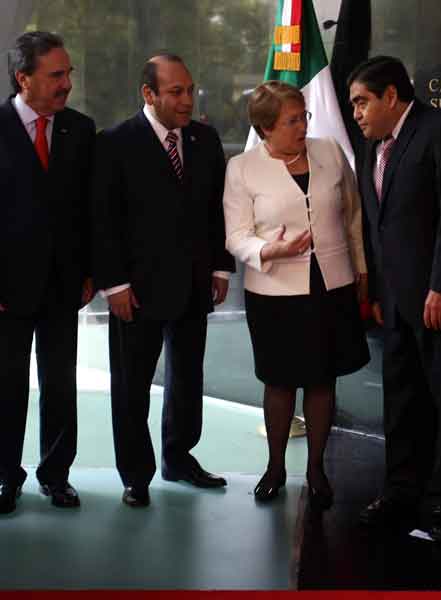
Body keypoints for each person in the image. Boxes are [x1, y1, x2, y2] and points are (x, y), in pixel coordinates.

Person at [348, 56, 441, 541]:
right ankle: (399, 492)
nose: (356, 114)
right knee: (401, 403)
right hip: (395, 302)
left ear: (391, 96)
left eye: (362, 102)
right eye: (353, 105)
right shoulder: (372, 146)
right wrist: (376, 290)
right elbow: (378, 225)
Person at [92, 54, 235, 508]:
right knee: (131, 385)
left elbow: (217, 208)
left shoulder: (205, 139)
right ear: (148, 94)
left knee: (187, 378)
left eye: (190, 90)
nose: (187, 100)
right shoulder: (114, 143)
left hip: (194, 284)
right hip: (136, 290)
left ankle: (179, 458)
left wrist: (220, 267)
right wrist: (114, 285)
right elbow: (102, 221)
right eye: (176, 92)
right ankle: (136, 474)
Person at [223, 81, 369, 508]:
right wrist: (269, 250)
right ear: (265, 128)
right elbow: (235, 236)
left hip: (332, 285)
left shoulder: (330, 152)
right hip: (274, 291)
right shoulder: (241, 168)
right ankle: (275, 467)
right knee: (280, 381)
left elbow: (353, 215)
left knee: (323, 379)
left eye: (303, 116)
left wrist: (361, 268)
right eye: (291, 121)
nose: (303, 126)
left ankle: (317, 469)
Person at [0, 31, 95, 514]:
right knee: (6, 386)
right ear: (24, 79)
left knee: (60, 383)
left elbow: (90, 210)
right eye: (56, 75)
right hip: (6, 289)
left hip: (63, 285)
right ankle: (4, 476)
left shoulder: (80, 129)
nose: (67, 84)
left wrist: (90, 272)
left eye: (68, 73)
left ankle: (56, 476)